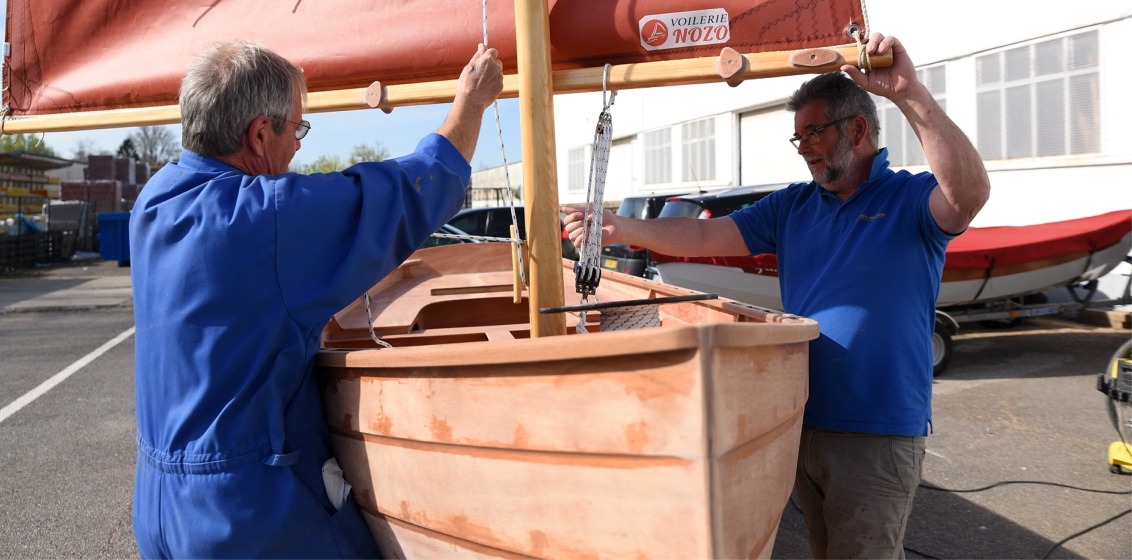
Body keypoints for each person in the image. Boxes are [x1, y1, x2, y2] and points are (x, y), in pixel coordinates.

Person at [564, 34, 990, 559]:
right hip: (800, 419)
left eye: (812, 132)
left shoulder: (907, 199)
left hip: (876, 435)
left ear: (857, 129)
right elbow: (704, 236)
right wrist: (618, 227)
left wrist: (909, 94)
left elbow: (968, 196)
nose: (804, 146)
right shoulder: (793, 206)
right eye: (798, 137)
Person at [130, 40, 503, 558]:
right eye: (297, 129)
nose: (300, 146)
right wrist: (471, 102)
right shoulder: (264, 219)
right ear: (259, 133)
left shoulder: (155, 201)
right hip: (243, 515)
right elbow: (413, 188)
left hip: (160, 503)